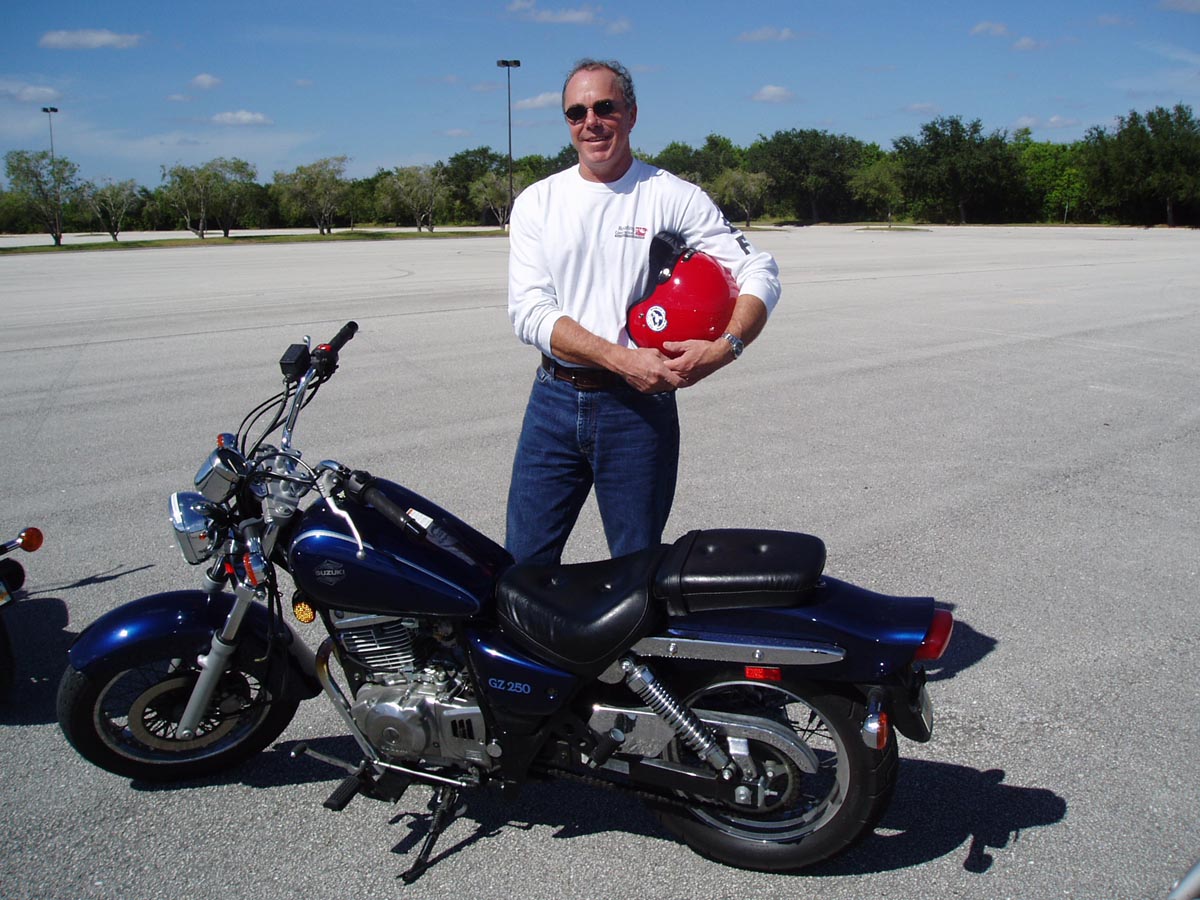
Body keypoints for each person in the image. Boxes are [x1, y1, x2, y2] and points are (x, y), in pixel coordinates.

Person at [505, 58, 781, 565]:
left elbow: (758, 270)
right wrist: (620, 358)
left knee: (637, 567)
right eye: (576, 112)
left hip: (637, 412)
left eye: (605, 107)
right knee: (524, 567)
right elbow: (529, 311)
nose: (591, 122)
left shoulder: (673, 197)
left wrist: (726, 348)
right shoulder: (538, 202)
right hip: (553, 403)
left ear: (631, 114)